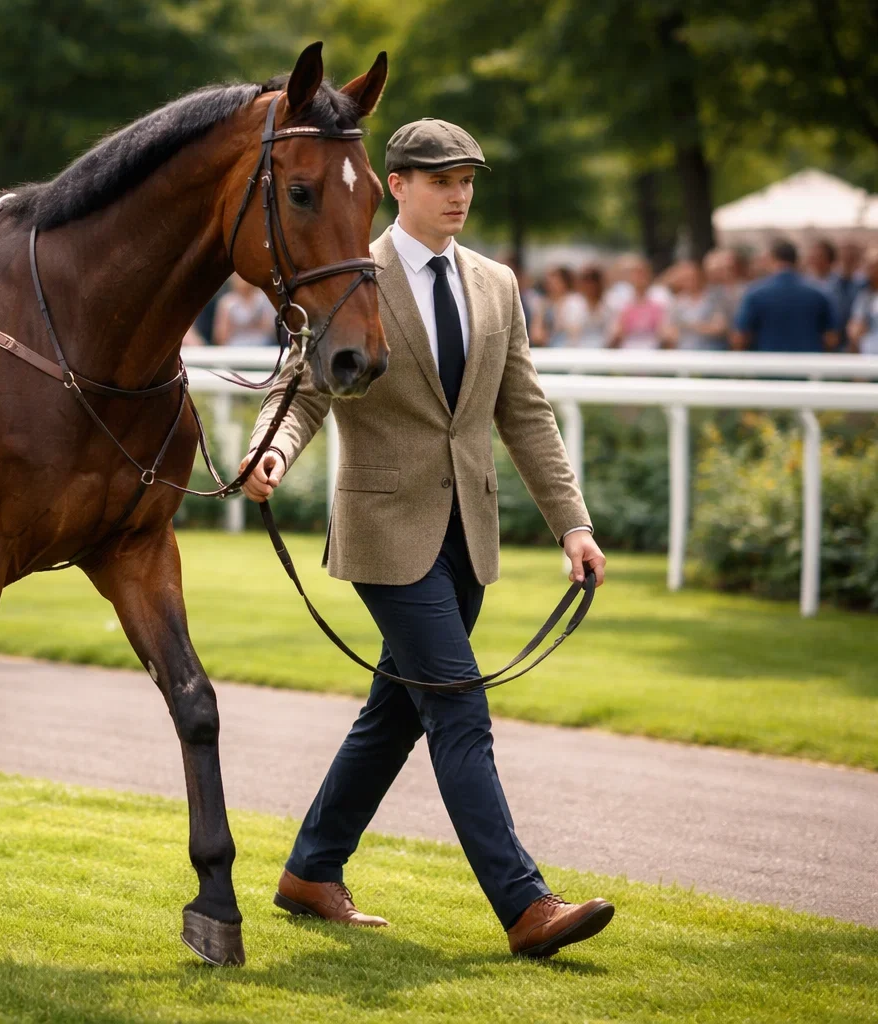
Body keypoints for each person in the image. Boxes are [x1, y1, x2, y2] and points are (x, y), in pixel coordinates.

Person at [239, 118, 612, 958]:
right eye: (442, 180)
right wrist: (273, 451)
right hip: (383, 528)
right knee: (455, 705)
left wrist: (573, 523)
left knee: (395, 716)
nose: (459, 195)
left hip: (468, 535)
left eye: (468, 180)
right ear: (396, 186)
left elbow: (525, 413)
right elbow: (301, 394)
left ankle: (310, 870)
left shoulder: (497, 284)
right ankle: (526, 907)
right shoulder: (347, 272)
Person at [732, 239, 838, 352]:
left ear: (772, 259)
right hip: (808, 363)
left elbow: (740, 337)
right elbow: (831, 338)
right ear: (796, 260)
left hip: (769, 362)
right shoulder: (818, 293)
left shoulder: (755, 293)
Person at [664, 259, 730, 350]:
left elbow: (720, 327)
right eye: (685, 278)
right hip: (685, 352)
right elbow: (668, 331)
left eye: (692, 277)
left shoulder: (715, 298)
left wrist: (688, 327)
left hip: (711, 351)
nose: (689, 281)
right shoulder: (677, 302)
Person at [609, 257, 667, 349]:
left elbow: (664, 329)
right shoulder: (620, 298)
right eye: (636, 274)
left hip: (652, 348)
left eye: (642, 273)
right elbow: (616, 330)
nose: (640, 278)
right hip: (628, 348)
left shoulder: (660, 296)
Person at [552, 265, 610, 348]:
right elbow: (571, 332)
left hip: (602, 349)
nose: (590, 285)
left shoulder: (607, 304)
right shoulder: (573, 303)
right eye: (586, 280)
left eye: (594, 280)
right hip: (577, 350)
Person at [211, 274, 276, 346]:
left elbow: (270, 328)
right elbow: (220, 335)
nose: (241, 281)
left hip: (263, 347)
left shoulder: (263, 299)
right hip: (234, 349)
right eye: (237, 277)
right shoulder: (226, 302)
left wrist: (238, 326)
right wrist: (254, 324)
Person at [846, 247, 878, 355]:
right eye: (870, 267)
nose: (872, 271)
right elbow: (855, 329)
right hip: (868, 357)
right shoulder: (864, 297)